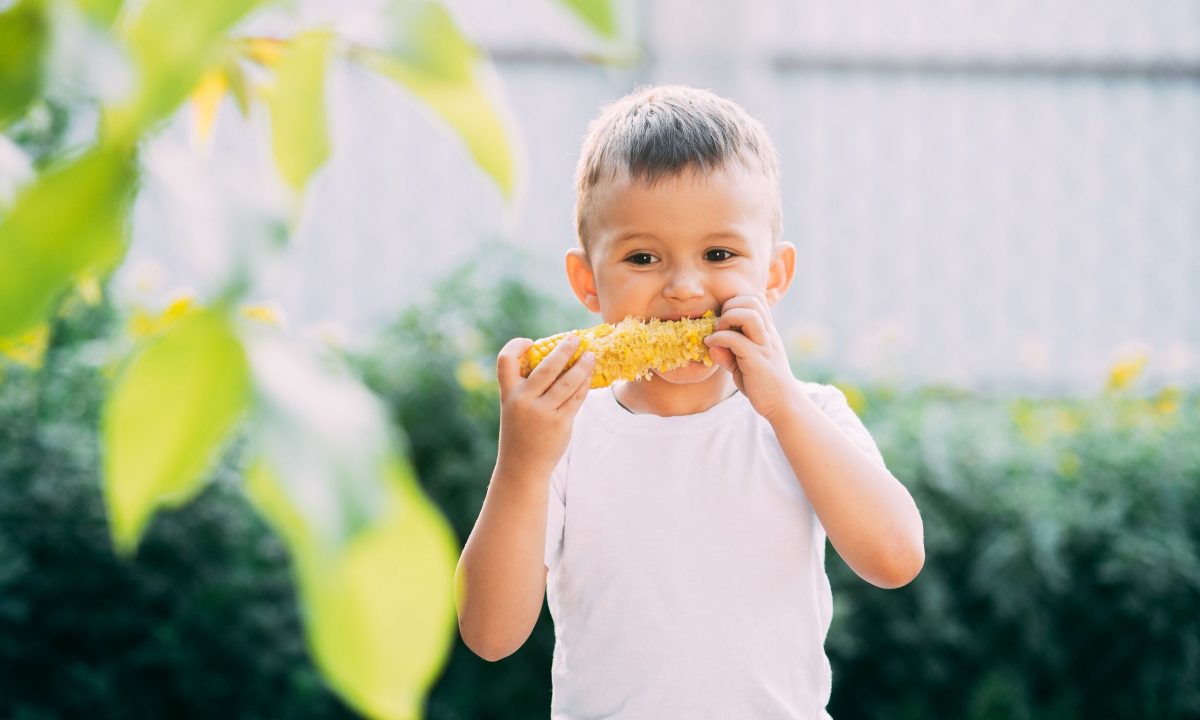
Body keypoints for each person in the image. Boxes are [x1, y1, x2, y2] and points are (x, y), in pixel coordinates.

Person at [454, 84, 924, 719]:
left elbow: (895, 559)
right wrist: (522, 466)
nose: (683, 288)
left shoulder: (806, 416)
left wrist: (783, 407)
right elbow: (489, 635)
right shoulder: (566, 435)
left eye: (719, 254)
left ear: (774, 275)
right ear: (588, 282)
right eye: (643, 257)